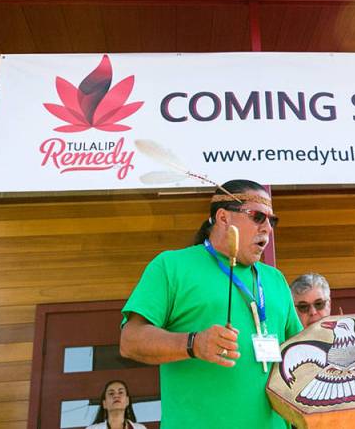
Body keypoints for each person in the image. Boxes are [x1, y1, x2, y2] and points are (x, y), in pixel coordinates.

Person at [119, 180, 303, 429]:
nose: (267, 229)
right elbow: (130, 341)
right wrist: (193, 344)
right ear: (223, 217)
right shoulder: (171, 266)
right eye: (258, 217)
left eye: (272, 221)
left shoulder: (275, 279)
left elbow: (299, 352)